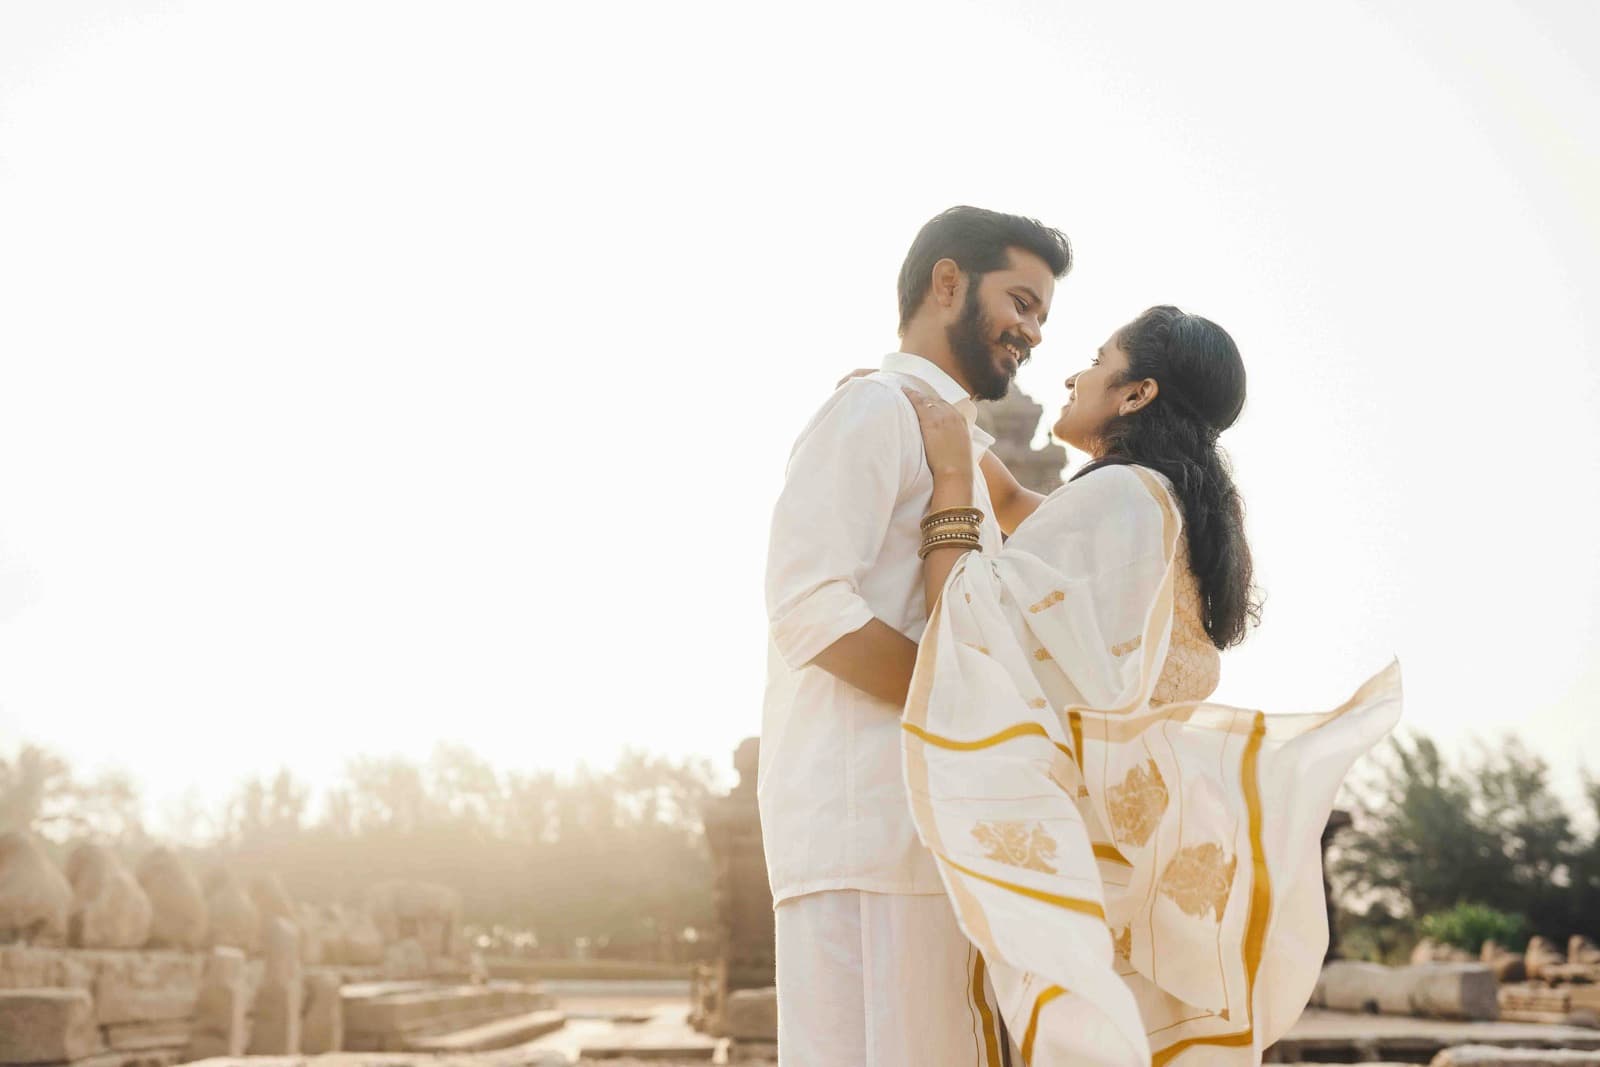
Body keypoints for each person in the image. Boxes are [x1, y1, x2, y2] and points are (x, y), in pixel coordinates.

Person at [897, 305, 1402, 1065]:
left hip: (1094, 842)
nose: (1073, 375)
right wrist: (945, 423)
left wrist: (944, 480)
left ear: (1137, 394)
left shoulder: (1121, 495)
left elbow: (963, 622)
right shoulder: (1158, 502)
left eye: (1098, 359)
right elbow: (1015, 506)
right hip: (1146, 838)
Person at [761, 206, 1071, 1066]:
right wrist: (962, 711)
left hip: (938, 832)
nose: (1033, 331)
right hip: (866, 832)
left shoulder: (952, 439)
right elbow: (808, 607)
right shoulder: (872, 411)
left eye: (1042, 314)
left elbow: (1054, 523)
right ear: (947, 283)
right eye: (1020, 302)